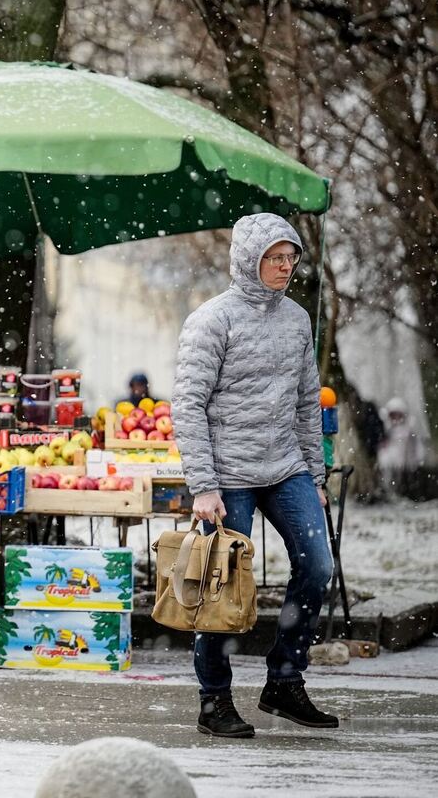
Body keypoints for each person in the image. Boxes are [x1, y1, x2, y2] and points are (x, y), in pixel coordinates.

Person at [173, 213, 337, 739]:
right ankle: (213, 700)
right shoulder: (211, 320)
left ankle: (285, 681)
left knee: (317, 566)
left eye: (290, 258)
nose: (285, 267)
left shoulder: (295, 319)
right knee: (219, 588)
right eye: (274, 258)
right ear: (249, 259)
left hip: (285, 465)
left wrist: (314, 473)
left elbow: (308, 402)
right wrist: (203, 484)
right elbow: (188, 404)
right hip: (227, 476)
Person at [378, 397, 427, 496]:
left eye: (398, 415)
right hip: (390, 466)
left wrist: (418, 460)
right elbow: (382, 451)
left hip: (408, 468)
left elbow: (419, 449)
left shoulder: (409, 432)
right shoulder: (386, 432)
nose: (396, 418)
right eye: (393, 415)